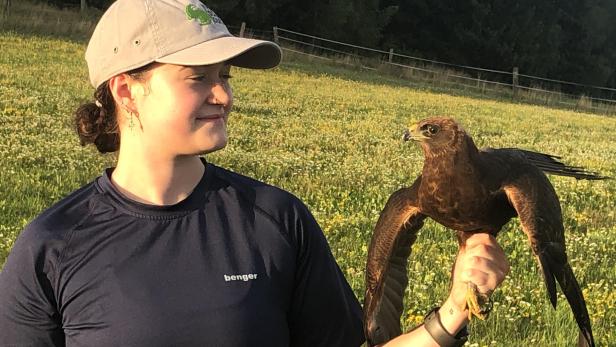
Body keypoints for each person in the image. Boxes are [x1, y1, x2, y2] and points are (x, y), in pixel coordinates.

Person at [0, 0, 509, 346]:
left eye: (224, 77)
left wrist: (448, 317)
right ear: (125, 91)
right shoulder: (52, 247)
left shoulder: (275, 220)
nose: (224, 95)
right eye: (198, 78)